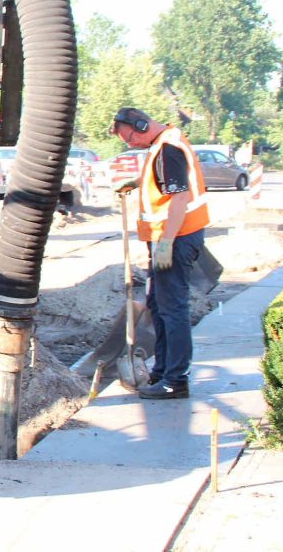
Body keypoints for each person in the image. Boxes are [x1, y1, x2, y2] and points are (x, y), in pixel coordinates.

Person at [109, 107, 210, 399]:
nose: (130, 144)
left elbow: (179, 197)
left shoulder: (167, 148)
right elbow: (167, 181)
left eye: (130, 138)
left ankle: (175, 380)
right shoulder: (165, 143)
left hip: (176, 238)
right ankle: (163, 371)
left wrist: (165, 242)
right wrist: (138, 183)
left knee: (172, 308)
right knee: (158, 303)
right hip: (174, 237)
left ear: (141, 125)